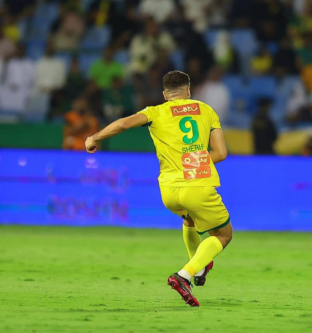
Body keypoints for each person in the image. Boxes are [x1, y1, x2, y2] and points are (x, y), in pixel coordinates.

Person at [84, 71, 232, 307]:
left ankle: (199, 268)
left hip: (168, 190)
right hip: (197, 184)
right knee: (223, 235)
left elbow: (123, 124)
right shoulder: (206, 110)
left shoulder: (155, 111)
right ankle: (184, 275)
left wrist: (94, 137)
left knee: (190, 220)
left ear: (165, 94)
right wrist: (193, 164)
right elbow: (221, 153)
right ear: (189, 91)